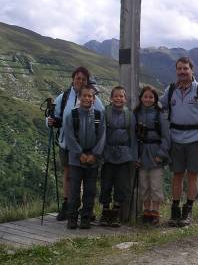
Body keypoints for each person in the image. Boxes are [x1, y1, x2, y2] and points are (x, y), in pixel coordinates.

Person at [160, 56, 198, 227]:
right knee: (177, 175)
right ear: (176, 71)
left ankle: (188, 211)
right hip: (175, 139)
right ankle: (175, 211)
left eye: (185, 68)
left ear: (192, 70)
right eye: (179, 69)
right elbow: (157, 104)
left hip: (196, 140)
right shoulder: (170, 90)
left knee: (192, 175)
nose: (182, 72)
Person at [47, 67, 104, 221]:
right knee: (69, 176)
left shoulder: (93, 98)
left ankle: (85, 208)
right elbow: (56, 117)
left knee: (84, 177)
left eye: (83, 79)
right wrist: (50, 121)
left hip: (88, 146)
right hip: (67, 144)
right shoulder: (64, 97)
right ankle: (68, 206)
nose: (80, 81)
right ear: (73, 79)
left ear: (87, 81)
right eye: (77, 78)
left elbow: (101, 118)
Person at [63, 84, 105, 229]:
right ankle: (72, 218)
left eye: (90, 96)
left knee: (90, 191)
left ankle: (86, 218)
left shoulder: (99, 115)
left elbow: (102, 137)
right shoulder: (71, 115)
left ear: (94, 99)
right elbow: (69, 137)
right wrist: (79, 154)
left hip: (93, 159)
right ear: (79, 97)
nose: (87, 98)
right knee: (74, 190)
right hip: (76, 159)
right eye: (84, 96)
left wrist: (95, 154)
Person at [99, 86, 138, 227]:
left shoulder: (130, 115)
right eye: (116, 96)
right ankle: (105, 212)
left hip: (124, 155)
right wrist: (100, 153)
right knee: (106, 184)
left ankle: (115, 213)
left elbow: (133, 138)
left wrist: (135, 157)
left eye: (121, 96)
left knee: (121, 185)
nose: (118, 99)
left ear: (125, 99)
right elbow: (101, 135)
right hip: (108, 154)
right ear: (111, 98)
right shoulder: (105, 113)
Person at [134, 86, 170, 225]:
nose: (148, 99)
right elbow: (133, 137)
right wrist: (135, 156)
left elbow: (166, 137)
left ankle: (155, 212)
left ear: (155, 99)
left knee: (155, 184)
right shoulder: (136, 114)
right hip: (142, 153)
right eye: (145, 97)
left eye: (151, 97)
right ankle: (146, 211)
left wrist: (161, 154)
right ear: (141, 98)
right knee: (144, 184)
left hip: (156, 153)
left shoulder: (159, 115)